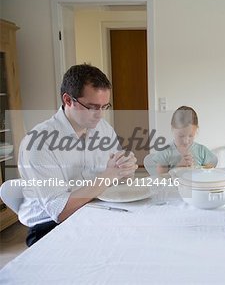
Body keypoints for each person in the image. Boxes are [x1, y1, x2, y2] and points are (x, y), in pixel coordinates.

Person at [18, 64, 138, 246]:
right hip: (49, 227)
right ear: (68, 100)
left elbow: (118, 177)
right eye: (92, 107)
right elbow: (60, 211)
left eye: (105, 106)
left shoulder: (102, 128)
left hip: (95, 209)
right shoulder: (38, 143)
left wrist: (125, 169)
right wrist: (108, 175)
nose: (100, 115)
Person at [144, 106, 217, 175]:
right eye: (181, 136)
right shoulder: (165, 153)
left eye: (190, 136)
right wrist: (179, 168)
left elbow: (209, 174)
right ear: (172, 129)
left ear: (196, 130)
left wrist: (196, 169)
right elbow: (161, 179)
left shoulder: (202, 151)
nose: (185, 141)